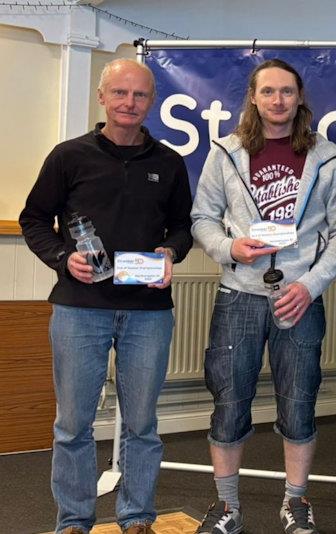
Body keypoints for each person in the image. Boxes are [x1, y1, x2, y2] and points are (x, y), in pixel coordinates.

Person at [19, 58, 193, 534]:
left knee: (142, 425)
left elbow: (183, 227)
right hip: (80, 308)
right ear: (102, 98)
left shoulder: (169, 162)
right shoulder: (68, 156)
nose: (129, 103)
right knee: (72, 425)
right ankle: (74, 521)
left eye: (139, 95)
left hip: (148, 312)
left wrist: (170, 251)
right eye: (120, 93)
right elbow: (33, 219)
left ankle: (136, 518)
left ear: (151, 101)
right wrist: (62, 257)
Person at [190, 58, 336, 534]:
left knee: (300, 402)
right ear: (254, 98)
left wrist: (310, 285)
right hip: (238, 295)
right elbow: (202, 218)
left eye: (287, 91)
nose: (278, 100)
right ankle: (227, 507)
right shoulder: (226, 151)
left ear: (299, 97)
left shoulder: (329, 155)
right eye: (268, 92)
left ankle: (295, 502)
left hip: (300, 298)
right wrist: (229, 247)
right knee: (228, 401)